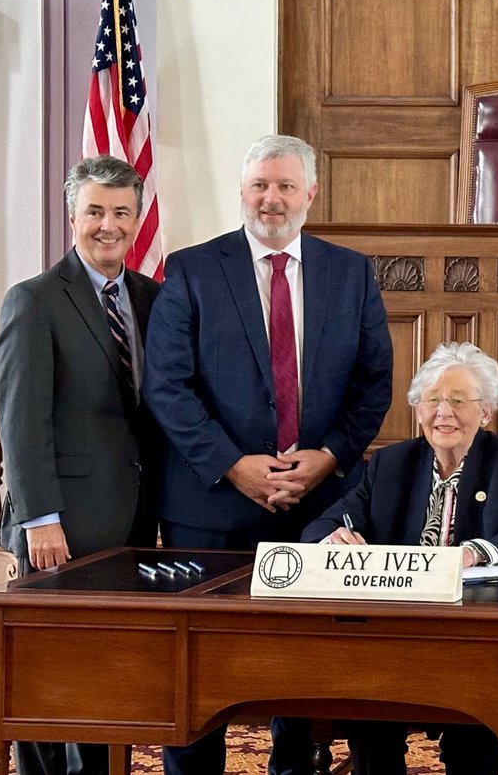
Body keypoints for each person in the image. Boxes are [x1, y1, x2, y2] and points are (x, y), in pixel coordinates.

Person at [143, 134, 393, 775]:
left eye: (285, 185)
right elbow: (166, 386)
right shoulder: (192, 269)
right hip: (211, 502)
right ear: (242, 191)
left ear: (310, 192)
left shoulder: (351, 271)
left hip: (321, 501)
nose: (271, 198)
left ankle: (293, 766)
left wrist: (329, 458)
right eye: (260, 184)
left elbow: (374, 386)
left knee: (304, 659)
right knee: (201, 662)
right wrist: (234, 464)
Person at [302, 341, 498, 775]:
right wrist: (335, 538)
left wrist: (475, 552)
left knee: (475, 724)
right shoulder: (390, 464)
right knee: (369, 710)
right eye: (432, 401)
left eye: (458, 401)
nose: (444, 413)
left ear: (486, 412)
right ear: (417, 409)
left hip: (473, 638)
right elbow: (319, 527)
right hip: (393, 634)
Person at [0, 155, 161, 775]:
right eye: (95, 211)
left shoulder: (151, 298)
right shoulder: (34, 301)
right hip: (59, 529)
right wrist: (40, 518)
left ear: (138, 219)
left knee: (105, 677)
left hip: (132, 523)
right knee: (47, 684)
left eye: (121, 212)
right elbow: (20, 421)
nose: (108, 225)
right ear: (73, 216)